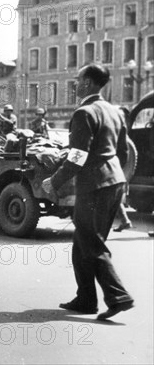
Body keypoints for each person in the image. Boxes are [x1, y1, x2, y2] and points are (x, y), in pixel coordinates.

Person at [43, 64, 134, 320]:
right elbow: (124, 152)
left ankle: (118, 296)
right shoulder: (114, 111)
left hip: (94, 185)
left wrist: (55, 180)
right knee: (83, 241)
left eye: (80, 79)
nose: (76, 84)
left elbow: (77, 157)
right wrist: (119, 179)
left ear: (92, 83)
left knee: (91, 241)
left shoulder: (84, 112)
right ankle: (85, 298)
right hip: (113, 182)